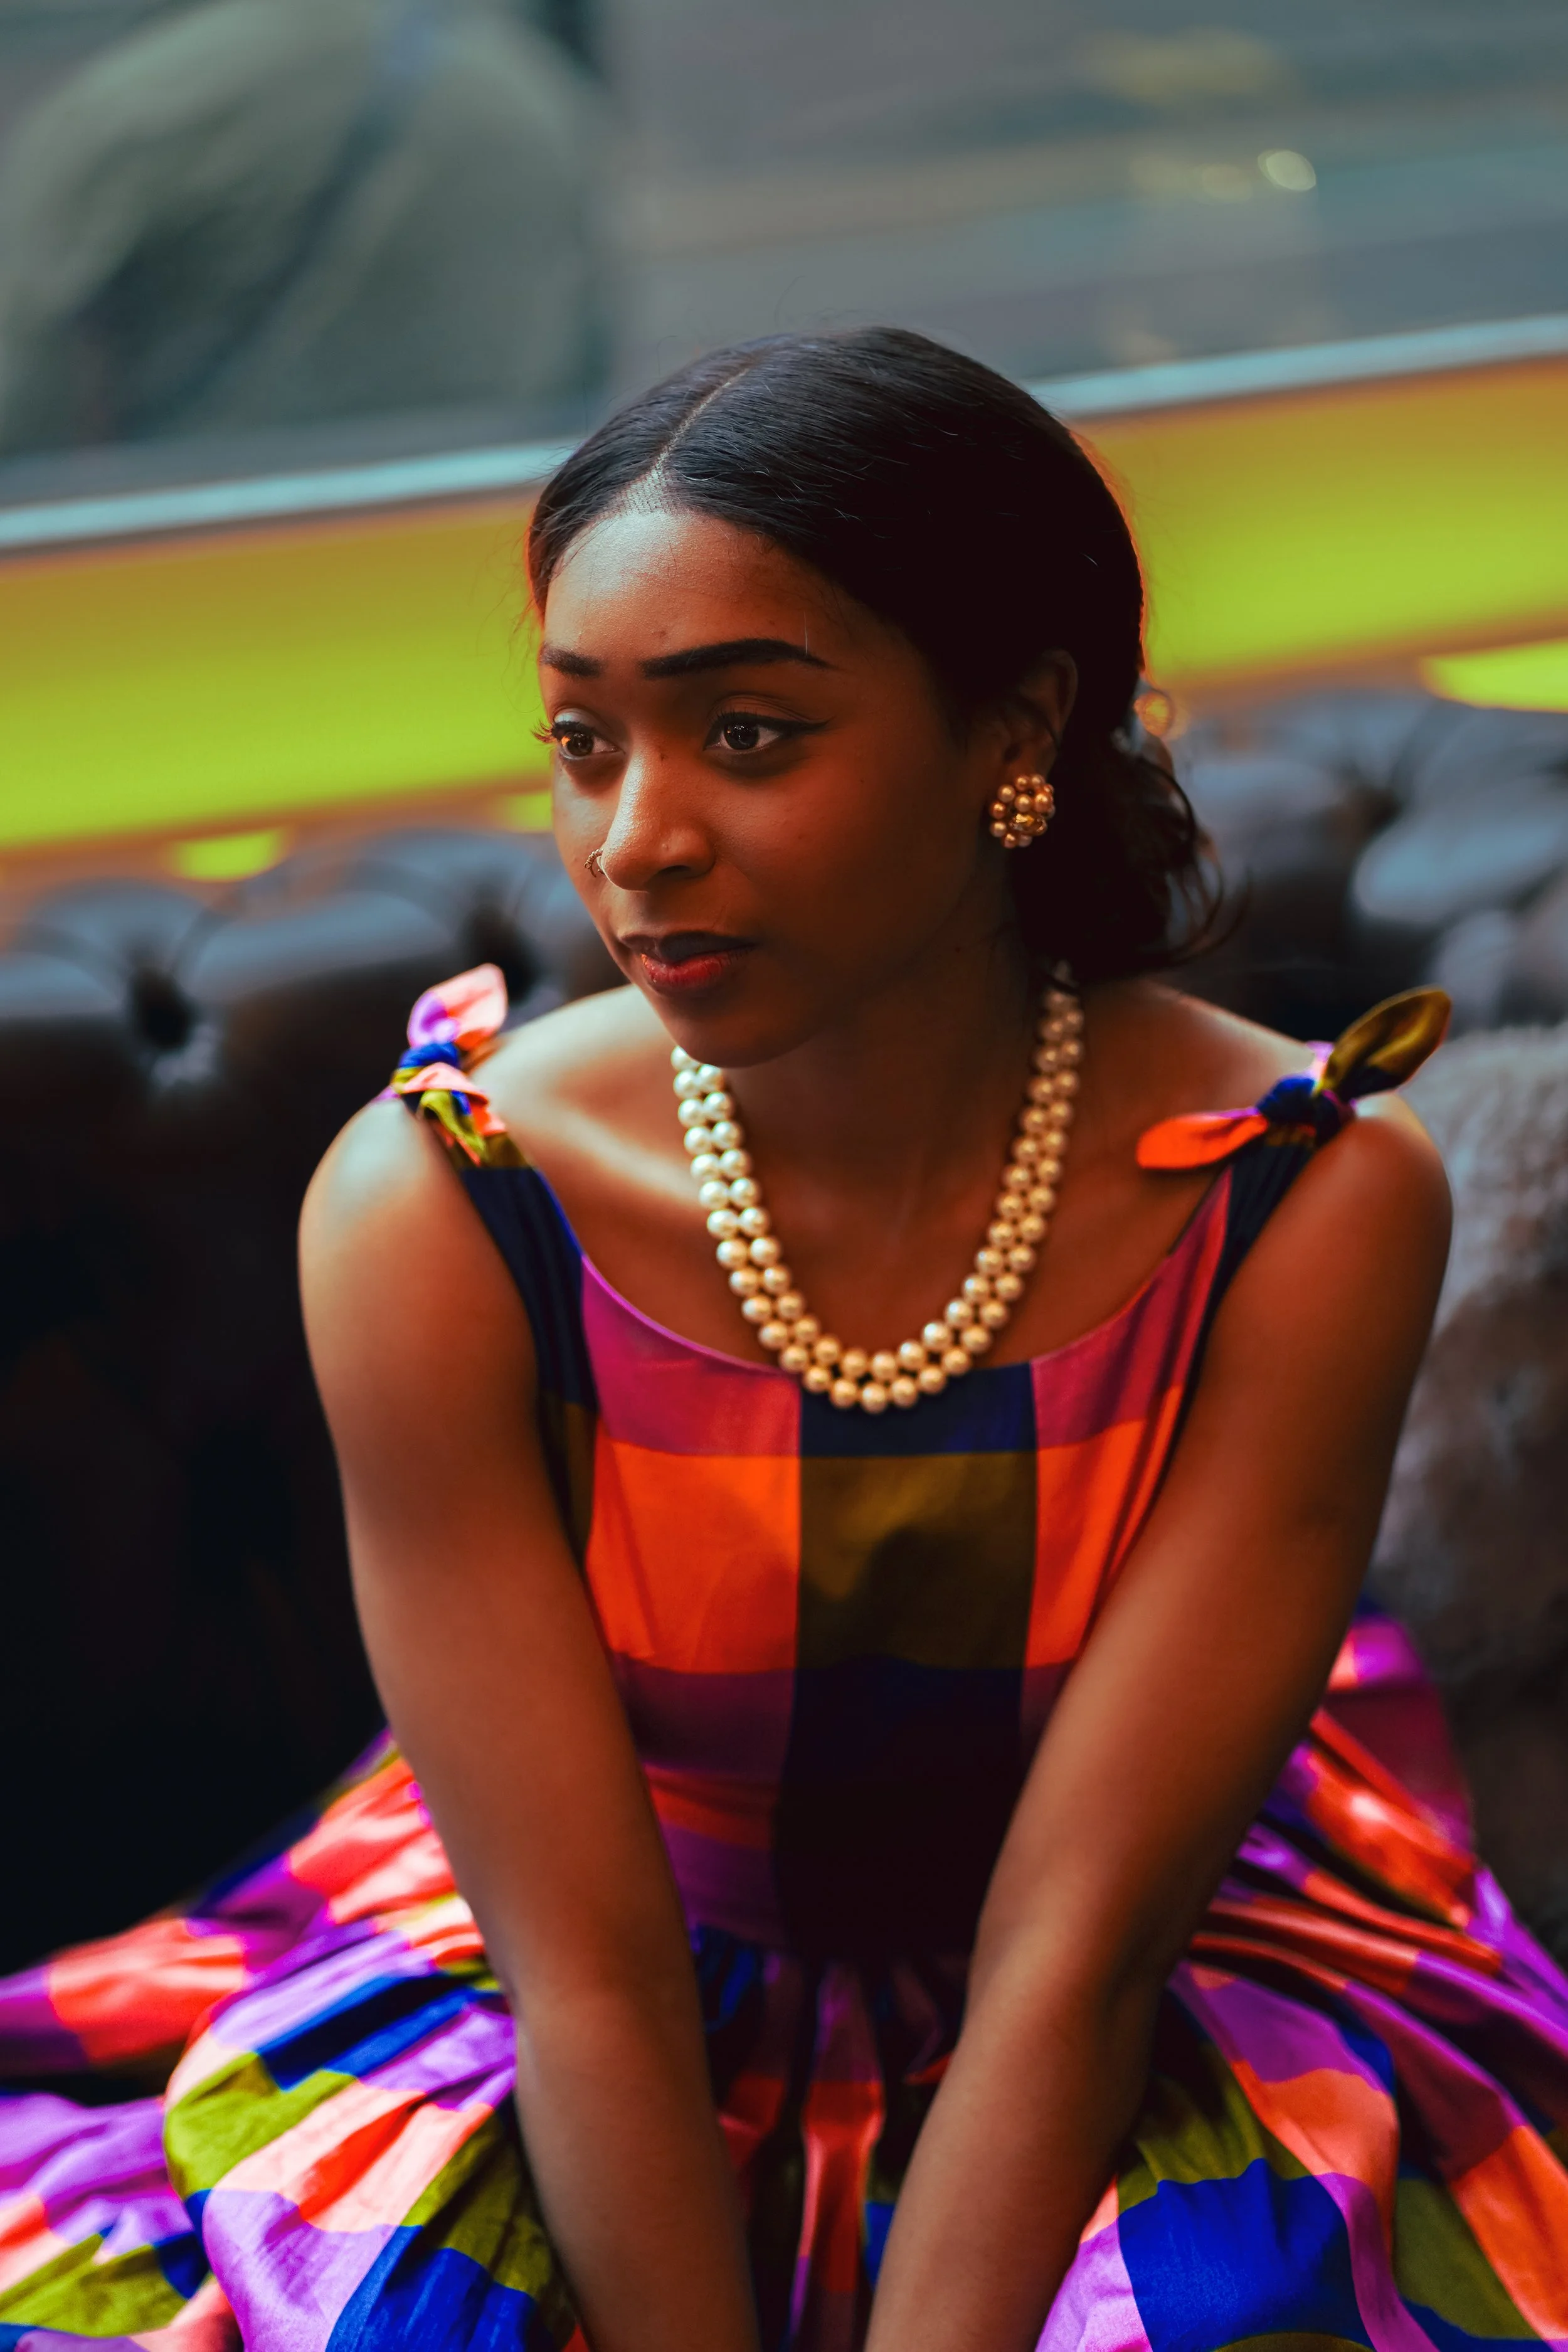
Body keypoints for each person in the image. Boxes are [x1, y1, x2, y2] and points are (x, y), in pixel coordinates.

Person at [4, 327, 1566, 2351]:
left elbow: (1078, 1954)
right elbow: (585, 1974)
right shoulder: (441, 1206)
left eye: (747, 735)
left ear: (1014, 734)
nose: (638, 839)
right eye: (586, 741)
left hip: (1142, 1982)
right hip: (569, 1989)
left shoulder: (1307, 1199)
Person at [0, 0, 603, 456]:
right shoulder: (531, 87)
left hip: (199, 562)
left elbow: (21, 404)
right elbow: (585, 356)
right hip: (474, 557)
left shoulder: (131, 108)